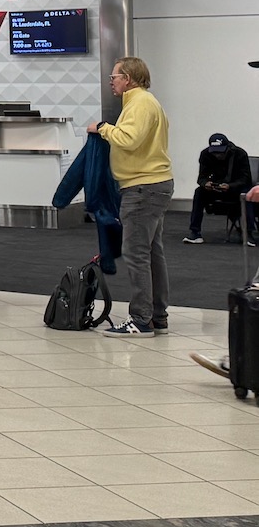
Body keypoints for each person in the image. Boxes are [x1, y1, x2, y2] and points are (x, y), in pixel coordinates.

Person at [90, 56, 174, 336]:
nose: (111, 82)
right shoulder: (147, 102)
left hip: (142, 188)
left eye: (114, 77)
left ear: (128, 78)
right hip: (153, 184)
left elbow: (129, 139)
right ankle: (157, 315)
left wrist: (102, 128)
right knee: (152, 253)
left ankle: (140, 319)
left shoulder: (139, 104)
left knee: (137, 254)